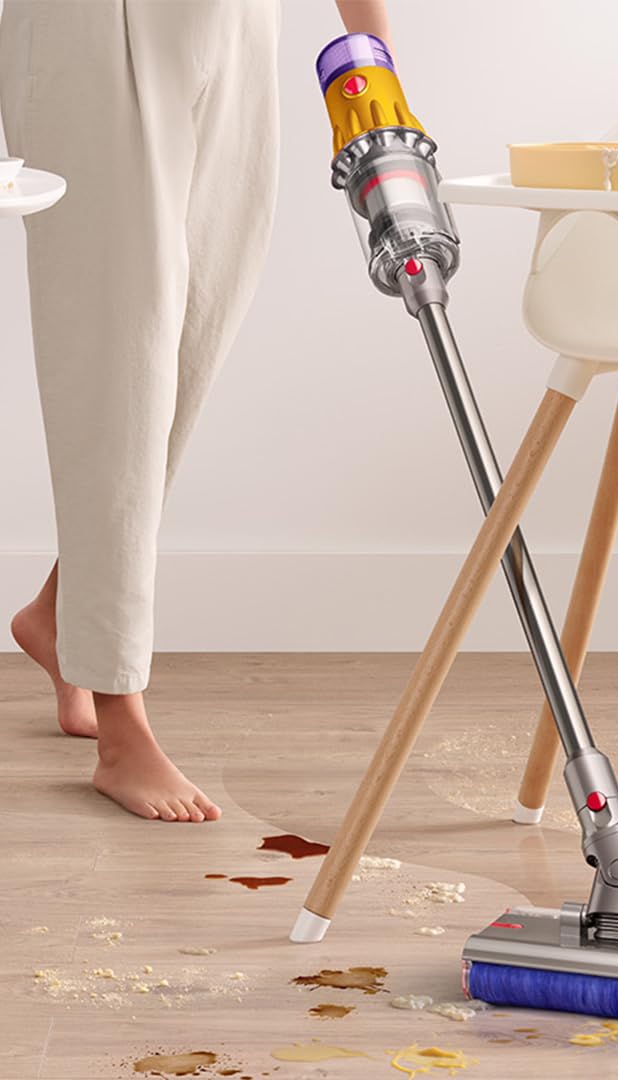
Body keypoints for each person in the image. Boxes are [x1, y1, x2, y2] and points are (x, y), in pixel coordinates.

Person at [0, 0, 390, 822]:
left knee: (192, 337)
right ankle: (120, 724)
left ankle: (63, 611)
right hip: (98, 24)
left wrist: (372, 51)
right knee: (120, 349)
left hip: (239, 24)